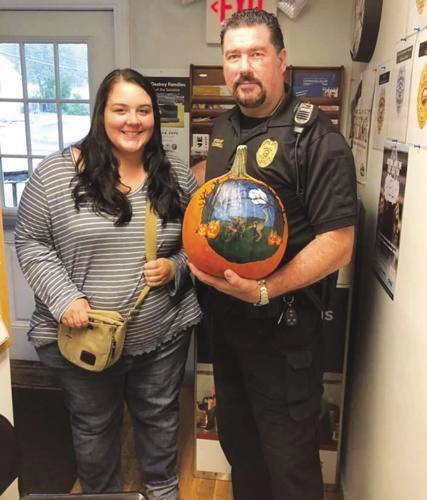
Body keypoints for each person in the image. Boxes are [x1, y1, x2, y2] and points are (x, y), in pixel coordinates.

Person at [189, 9, 357, 500]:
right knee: (241, 450)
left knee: (290, 469)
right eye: (233, 56)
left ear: (282, 61)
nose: (244, 67)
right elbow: (214, 193)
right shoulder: (223, 127)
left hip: (286, 339)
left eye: (256, 54)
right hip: (228, 330)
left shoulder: (319, 141)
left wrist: (265, 288)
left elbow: (338, 242)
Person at [15, 68, 201, 500]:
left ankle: (163, 492)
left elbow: (202, 243)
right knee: (95, 429)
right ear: (102, 113)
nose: (132, 120)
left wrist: (176, 267)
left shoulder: (176, 176)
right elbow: (30, 240)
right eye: (120, 109)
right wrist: (64, 296)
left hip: (162, 334)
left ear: (155, 117)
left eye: (143, 110)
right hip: (84, 341)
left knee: (159, 420)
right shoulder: (56, 175)